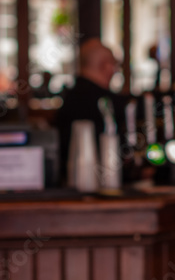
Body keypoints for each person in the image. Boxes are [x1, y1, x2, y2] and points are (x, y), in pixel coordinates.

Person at [54, 39, 126, 179]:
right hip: (106, 180)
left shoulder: (69, 99)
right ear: (106, 65)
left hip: (70, 180)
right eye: (115, 65)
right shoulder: (108, 103)